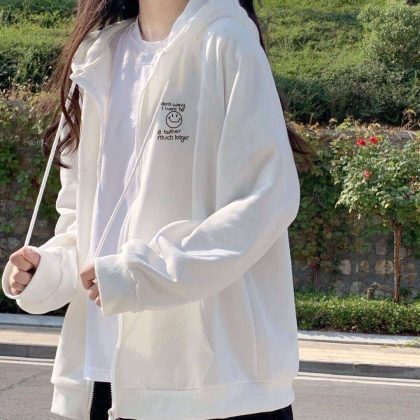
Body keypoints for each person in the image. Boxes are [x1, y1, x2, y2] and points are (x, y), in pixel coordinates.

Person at [2, 0, 311, 419]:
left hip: (215, 389)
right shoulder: (97, 56)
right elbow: (83, 225)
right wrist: (48, 270)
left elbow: (264, 201)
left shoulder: (227, 43)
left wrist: (140, 274)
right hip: (102, 378)